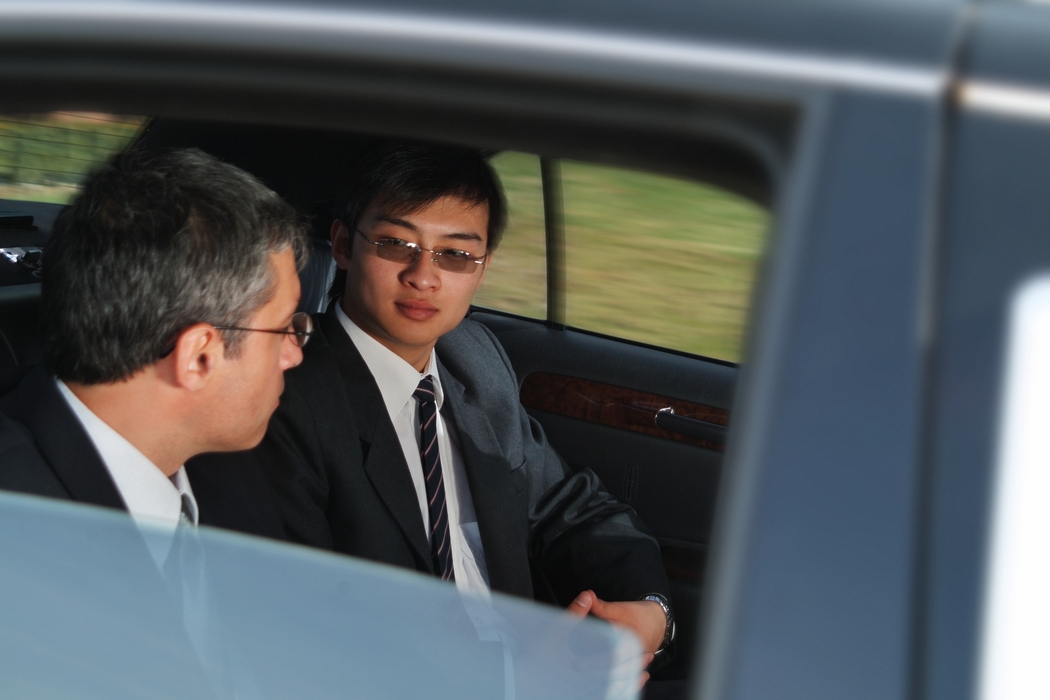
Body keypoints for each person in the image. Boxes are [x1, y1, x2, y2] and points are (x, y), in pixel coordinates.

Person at [253, 141, 675, 664]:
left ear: (483, 268)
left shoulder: (471, 357)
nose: (423, 276)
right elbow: (310, 631)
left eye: (455, 254)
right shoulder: (284, 393)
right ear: (342, 245)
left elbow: (572, 506)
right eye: (394, 243)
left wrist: (649, 612)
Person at [0, 147, 311, 540]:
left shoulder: (228, 467)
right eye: (284, 328)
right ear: (199, 357)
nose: (295, 354)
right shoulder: (16, 538)